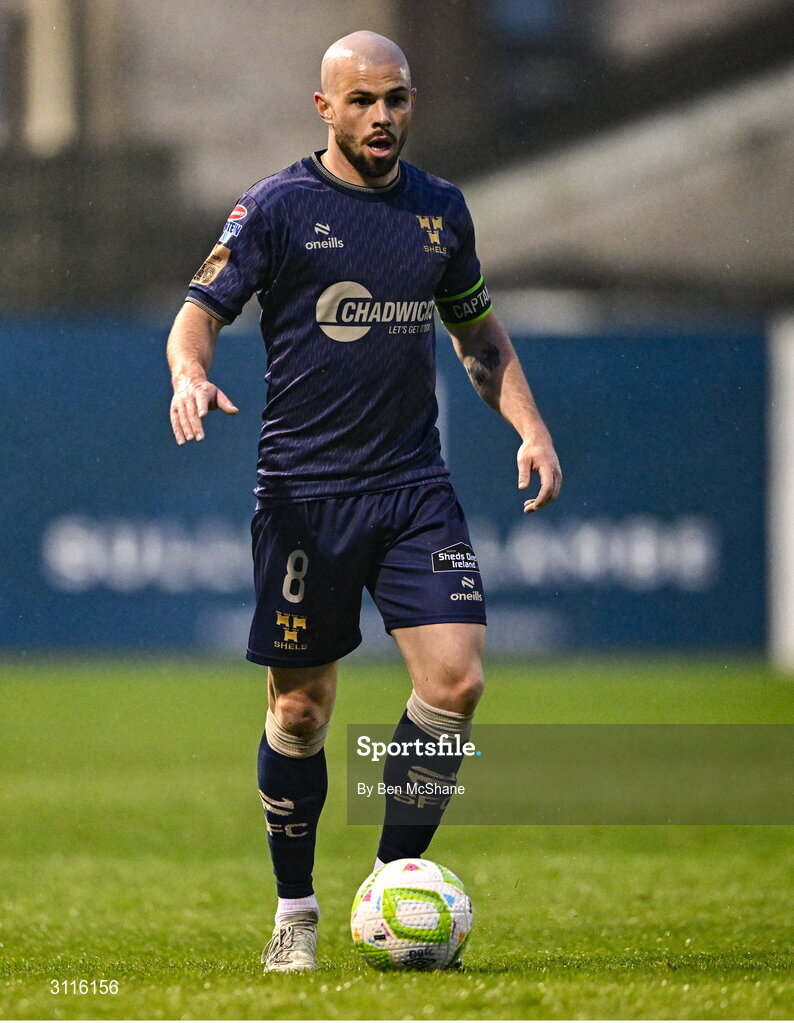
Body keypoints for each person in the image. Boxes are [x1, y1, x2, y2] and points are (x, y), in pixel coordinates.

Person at [166, 30, 561, 973]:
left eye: (397, 99)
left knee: (456, 682)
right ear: (325, 110)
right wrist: (188, 374)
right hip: (305, 496)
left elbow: (477, 331)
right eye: (363, 102)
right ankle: (295, 911)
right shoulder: (277, 208)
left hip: (413, 488)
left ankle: (390, 884)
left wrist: (531, 428)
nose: (383, 117)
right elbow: (199, 311)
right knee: (300, 711)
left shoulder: (440, 211)